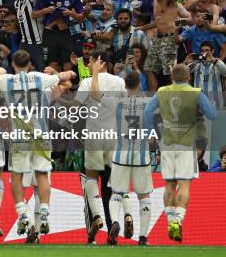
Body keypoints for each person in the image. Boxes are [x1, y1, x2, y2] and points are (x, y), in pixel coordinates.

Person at [0, 50, 76, 242]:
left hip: (19, 136)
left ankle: (22, 213)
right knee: (42, 174)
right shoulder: (40, 78)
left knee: (17, 176)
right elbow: (66, 77)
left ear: (13, 64)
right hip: (41, 135)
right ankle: (44, 210)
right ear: (29, 64)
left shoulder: (7, 81)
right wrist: (68, 73)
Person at [143, 64, 217, 243]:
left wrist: (149, 133)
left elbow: (146, 112)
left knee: (169, 185)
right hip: (186, 144)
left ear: (171, 77)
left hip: (167, 144)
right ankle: (178, 220)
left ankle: (170, 221)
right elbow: (212, 114)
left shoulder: (162, 91)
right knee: (184, 184)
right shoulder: (195, 92)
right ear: (188, 77)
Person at [89, 60, 153, 246]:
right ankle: (142, 238)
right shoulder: (148, 102)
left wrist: (94, 73)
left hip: (120, 155)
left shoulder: (117, 102)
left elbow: (94, 94)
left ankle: (115, 221)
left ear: (124, 85)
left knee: (116, 193)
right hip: (141, 155)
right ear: (140, 84)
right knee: (144, 196)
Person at [75, 52, 126, 243]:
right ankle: (114, 220)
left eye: (89, 61)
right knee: (113, 184)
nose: (87, 64)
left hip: (94, 135)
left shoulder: (88, 82)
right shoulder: (119, 82)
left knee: (91, 177)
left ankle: (96, 216)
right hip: (114, 137)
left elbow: (76, 107)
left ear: (100, 62)